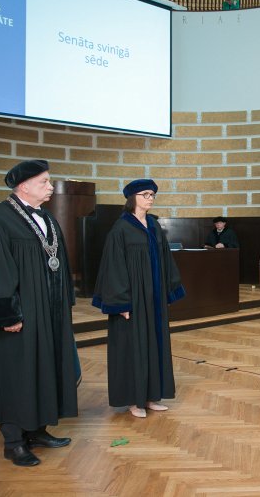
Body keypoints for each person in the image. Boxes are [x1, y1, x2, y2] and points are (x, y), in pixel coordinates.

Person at [0, 159, 80, 467]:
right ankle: (13, 441)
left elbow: (57, 263)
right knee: (15, 372)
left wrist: (63, 304)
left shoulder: (47, 218)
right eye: (45, 182)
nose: (51, 187)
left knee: (43, 367)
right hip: (21, 314)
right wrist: (7, 315)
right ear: (24, 186)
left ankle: (37, 429)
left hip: (48, 313)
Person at [93, 179, 185, 418]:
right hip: (133, 301)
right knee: (133, 347)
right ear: (132, 197)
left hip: (153, 300)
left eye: (153, 194)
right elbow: (113, 267)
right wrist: (121, 303)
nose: (150, 198)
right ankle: (134, 401)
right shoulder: (121, 228)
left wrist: (169, 289)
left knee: (154, 345)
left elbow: (165, 260)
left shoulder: (154, 225)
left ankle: (152, 396)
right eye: (145, 194)